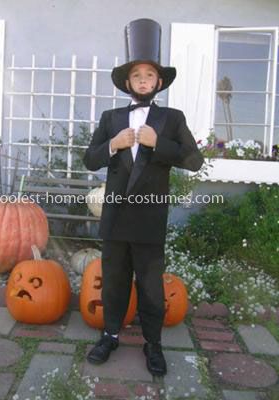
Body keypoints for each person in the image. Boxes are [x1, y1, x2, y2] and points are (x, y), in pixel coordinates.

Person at [83, 18, 204, 376]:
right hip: (115, 217)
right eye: (137, 76)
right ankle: (110, 335)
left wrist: (158, 143)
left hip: (150, 218)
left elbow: (195, 161)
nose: (143, 81)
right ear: (127, 83)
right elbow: (90, 160)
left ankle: (153, 344)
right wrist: (112, 144)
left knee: (151, 288)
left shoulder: (172, 118)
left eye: (149, 76)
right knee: (114, 282)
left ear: (158, 82)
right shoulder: (111, 117)